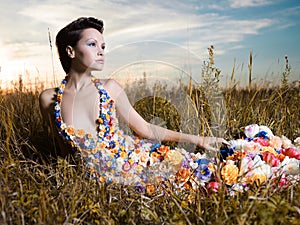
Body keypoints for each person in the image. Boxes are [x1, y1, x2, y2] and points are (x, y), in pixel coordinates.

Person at [39, 17, 229, 192]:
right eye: (92, 44)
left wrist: (198, 139)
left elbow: (145, 128)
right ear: (70, 51)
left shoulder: (109, 88)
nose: (101, 51)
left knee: (209, 177)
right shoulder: (49, 99)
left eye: (103, 46)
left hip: (135, 160)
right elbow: (63, 150)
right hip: (94, 180)